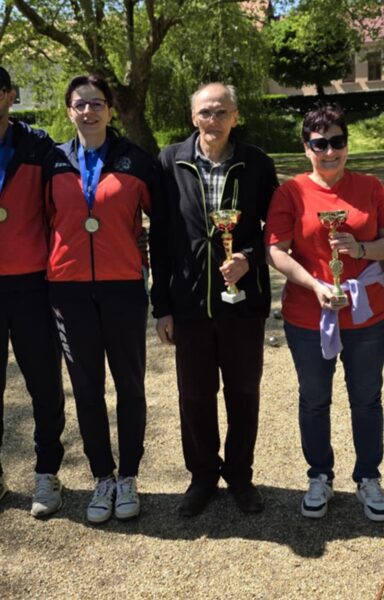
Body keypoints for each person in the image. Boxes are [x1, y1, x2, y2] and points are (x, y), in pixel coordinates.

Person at [265, 103, 384, 522]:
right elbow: (276, 250)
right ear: (306, 148)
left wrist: (358, 249)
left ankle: (368, 477)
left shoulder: (371, 187)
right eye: (319, 144)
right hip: (308, 315)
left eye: (337, 142)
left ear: (347, 144)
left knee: (367, 399)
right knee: (314, 399)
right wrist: (316, 285)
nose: (329, 151)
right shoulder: (290, 193)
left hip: (366, 315)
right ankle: (319, 475)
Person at [150, 83, 278, 516]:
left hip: (243, 303)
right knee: (195, 396)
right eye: (206, 112)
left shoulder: (257, 163)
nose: (213, 120)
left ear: (235, 117)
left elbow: (275, 230)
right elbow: (160, 239)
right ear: (193, 117)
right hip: (189, 304)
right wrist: (162, 306)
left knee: (243, 392)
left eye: (222, 112)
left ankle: (240, 475)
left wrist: (248, 257)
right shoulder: (170, 161)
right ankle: (202, 477)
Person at [44, 74, 153, 524]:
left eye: (96, 103)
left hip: (123, 288)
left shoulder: (135, 159)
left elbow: (162, 221)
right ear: (69, 110)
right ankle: (102, 477)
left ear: (109, 109)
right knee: (87, 388)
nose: (88, 111)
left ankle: (128, 476)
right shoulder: (53, 160)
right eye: (80, 104)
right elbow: (42, 221)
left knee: (130, 384)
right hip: (68, 291)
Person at [0, 66, 65, 518]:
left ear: (8, 95)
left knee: (43, 384)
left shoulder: (39, 147)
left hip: (32, 285)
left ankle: (47, 472)